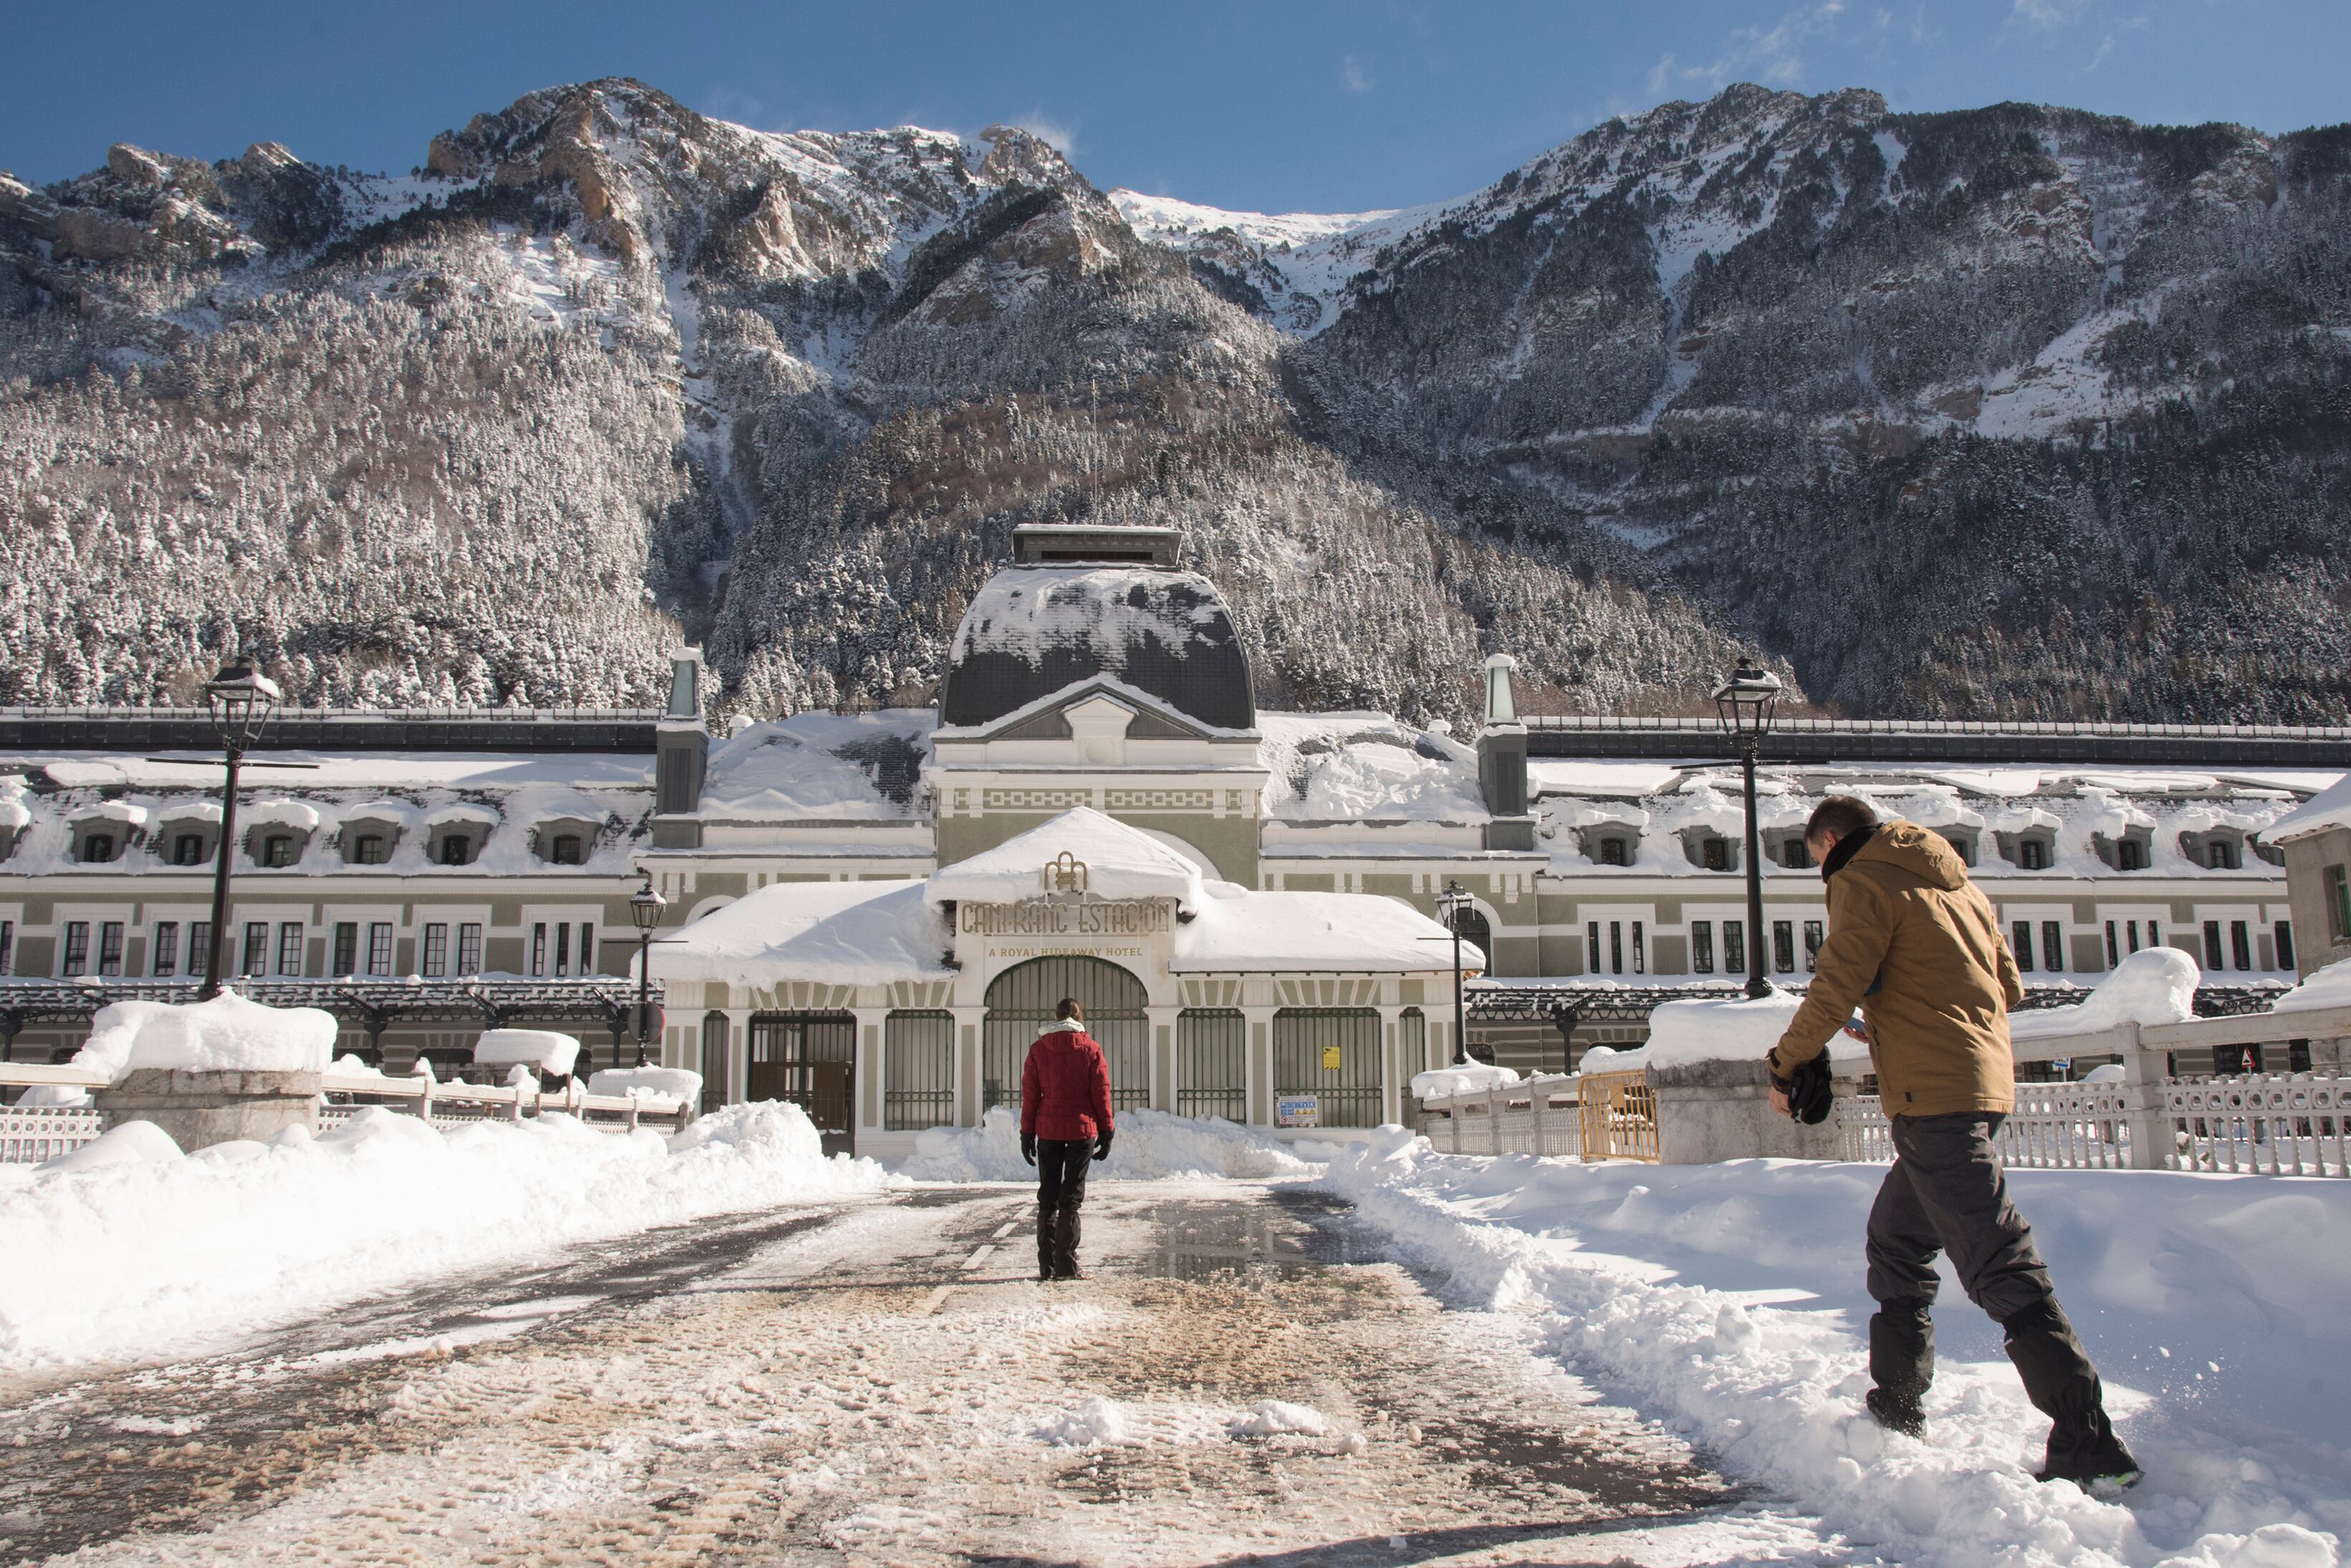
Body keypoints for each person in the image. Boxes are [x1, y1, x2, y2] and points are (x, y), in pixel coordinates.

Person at [1766, 795, 2141, 1492]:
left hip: (1933, 1099)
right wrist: (1893, 1014)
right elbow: (2008, 986)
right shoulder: (1957, 879)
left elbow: (1835, 981)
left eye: (1814, 854)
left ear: (1830, 838)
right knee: (1897, 1240)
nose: (1819, 869)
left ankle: (2087, 1435)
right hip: (1981, 1083)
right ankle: (1896, 1405)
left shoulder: (1861, 877)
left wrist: (1787, 1060)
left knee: (1995, 1256)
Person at [1018, 997, 1115, 1281]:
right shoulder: (1091, 1049)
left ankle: (1045, 1265)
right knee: (1070, 1199)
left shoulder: (1038, 1050)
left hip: (1048, 1130)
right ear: (1079, 1017)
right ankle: (1067, 1265)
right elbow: (1101, 1093)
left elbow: (1030, 1096)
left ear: (1056, 1017)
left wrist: (1027, 1134)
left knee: (1048, 1198)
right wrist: (1107, 1131)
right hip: (1082, 1131)